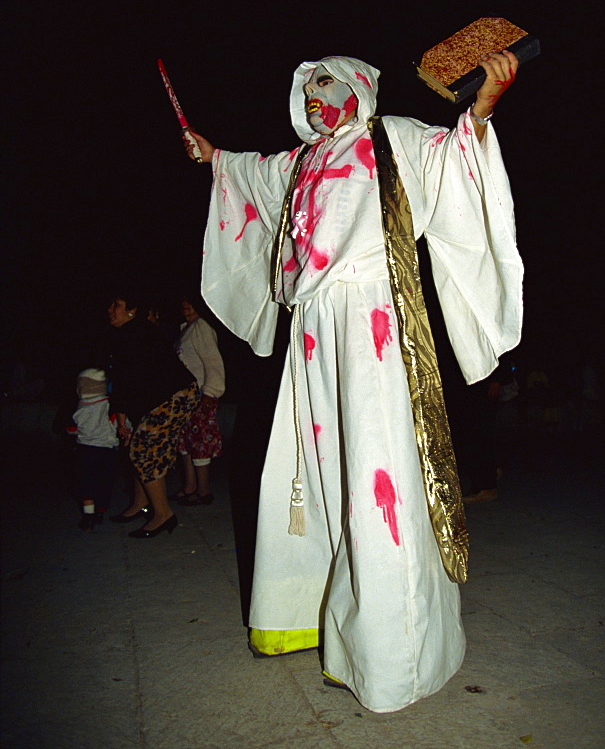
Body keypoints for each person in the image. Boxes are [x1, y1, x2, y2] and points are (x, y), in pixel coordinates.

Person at [186, 51, 523, 712]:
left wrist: (479, 111)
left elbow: (453, 159)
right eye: (306, 91)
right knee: (312, 474)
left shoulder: (392, 136)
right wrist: (213, 156)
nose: (315, 100)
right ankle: (309, 618)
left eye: (327, 86)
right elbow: (248, 174)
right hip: (309, 333)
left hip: (373, 321)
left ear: (357, 90)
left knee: (378, 482)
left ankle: (389, 657)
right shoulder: (298, 162)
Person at [107, 291, 201, 538]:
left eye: (117, 304)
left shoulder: (132, 333)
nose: (110, 310)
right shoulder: (135, 332)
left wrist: (120, 420)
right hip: (168, 396)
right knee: (141, 446)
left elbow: (125, 381)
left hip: (174, 395)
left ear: (132, 310)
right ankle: (141, 503)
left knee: (143, 449)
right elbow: (139, 383)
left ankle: (163, 515)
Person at [171, 295, 225, 505]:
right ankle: (190, 486)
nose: (186, 305)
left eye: (191, 302)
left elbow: (214, 363)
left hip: (201, 397)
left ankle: (204, 491)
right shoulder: (187, 328)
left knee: (200, 444)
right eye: (183, 302)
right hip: (185, 398)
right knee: (185, 444)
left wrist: (210, 393)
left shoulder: (202, 327)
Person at [67, 367, 123, 529]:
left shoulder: (79, 407)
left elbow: (71, 429)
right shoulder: (109, 406)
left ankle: (88, 515)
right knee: (104, 482)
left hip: (85, 451)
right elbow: (120, 424)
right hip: (107, 452)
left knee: (86, 483)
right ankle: (100, 511)